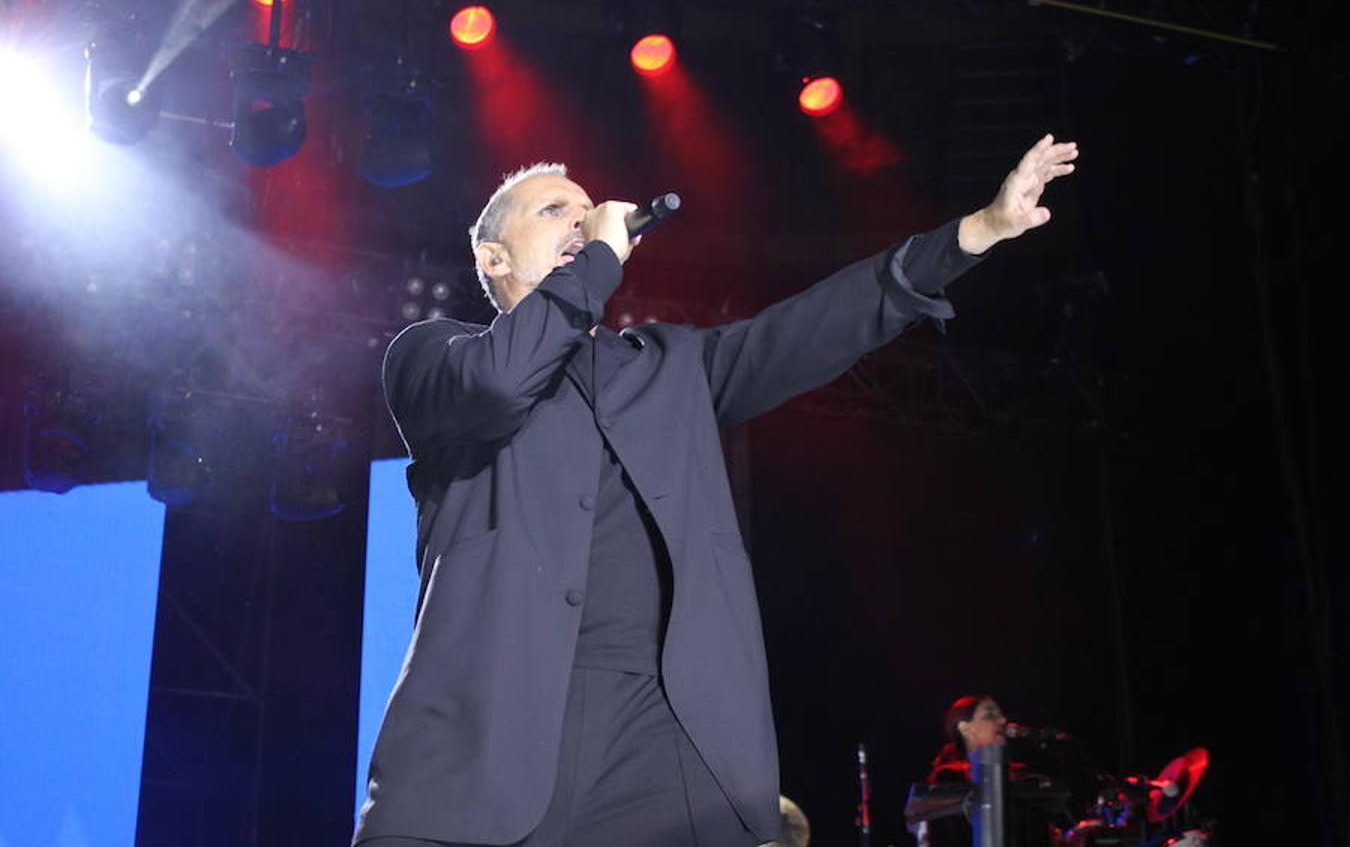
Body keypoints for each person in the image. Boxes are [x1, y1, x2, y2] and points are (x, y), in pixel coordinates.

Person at [354, 136, 1079, 847]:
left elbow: (814, 325)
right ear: (492, 255)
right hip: (492, 736)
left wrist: (979, 231)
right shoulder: (433, 356)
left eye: (588, 214)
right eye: (553, 213)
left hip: (663, 737)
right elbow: (499, 382)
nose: (583, 222)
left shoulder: (671, 367)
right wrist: (599, 257)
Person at [918, 695, 1065, 847]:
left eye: (1001, 715)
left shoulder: (1024, 776)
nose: (1003, 720)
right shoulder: (948, 777)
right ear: (965, 728)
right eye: (990, 715)